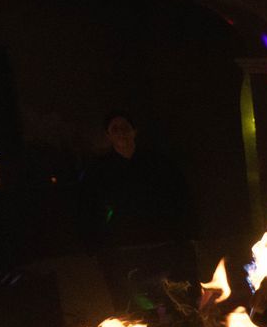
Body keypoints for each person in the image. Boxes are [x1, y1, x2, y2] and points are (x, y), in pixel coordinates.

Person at [77, 111, 195, 306]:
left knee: (172, 299)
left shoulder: (157, 163)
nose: (121, 133)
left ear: (134, 131)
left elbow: (178, 197)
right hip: (123, 248)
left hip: (161, 243)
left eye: (125, 128)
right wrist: (95, 242)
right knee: (130, 303)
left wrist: (183, 233)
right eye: (115, 129)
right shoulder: (98, 170)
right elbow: (88, 207)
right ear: (108, 135)